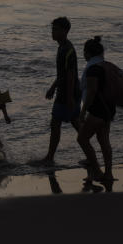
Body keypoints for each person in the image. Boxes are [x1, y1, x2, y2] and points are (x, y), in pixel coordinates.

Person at [38, 16, 81, 164]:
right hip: (69, 90)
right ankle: (90, 154)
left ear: (65, 31)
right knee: (76, 122)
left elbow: (70, 75)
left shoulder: (67, 50)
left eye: (55, 29)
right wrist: (52, 87)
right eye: (52, 29)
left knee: (55, 123)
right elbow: (62, 74)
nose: (52, 32)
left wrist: (69, 98)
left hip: (68, 92)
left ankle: (50, 157)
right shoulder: (62, 47)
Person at [77, 36, 115, 187]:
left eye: (84, 52)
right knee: (104, 140)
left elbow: (91, 91)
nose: (83, 55)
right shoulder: (105, 65)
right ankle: (109, 173)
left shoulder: (93, 69)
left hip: (97, 111)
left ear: (88, 53)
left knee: (82, 139)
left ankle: (97, 170)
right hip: (108, 109)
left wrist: (82, 111)